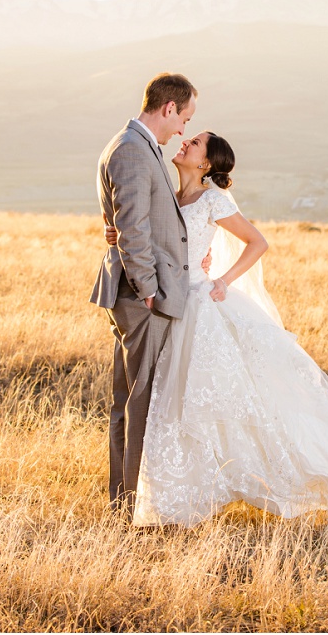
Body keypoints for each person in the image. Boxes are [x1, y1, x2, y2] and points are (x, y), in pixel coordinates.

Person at [105, 131, 328, 526]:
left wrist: (222, 281)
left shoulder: (212, 200)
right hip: (172, 308)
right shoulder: (171, 198)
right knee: (174, 401)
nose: (185, 143)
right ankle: (181, 494)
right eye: (187, 138)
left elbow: (257, 242)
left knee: (216, 399)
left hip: (199, 304)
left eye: (194, 143)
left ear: (205, 164)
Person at [90, 72, 197, 517]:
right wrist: (150, 291)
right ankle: (129, 506)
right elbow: (132, 230)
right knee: (138, 403)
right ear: (169, 108)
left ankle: (124, 501)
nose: (183, 130)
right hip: (141, 300)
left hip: (136, 296)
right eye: (184, 118)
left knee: (129, 401)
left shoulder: (131, 144)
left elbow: (129, 221)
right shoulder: (133, 150)